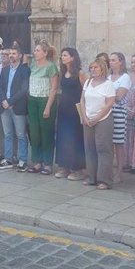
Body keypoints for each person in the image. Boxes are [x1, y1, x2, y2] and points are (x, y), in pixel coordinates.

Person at [80, 58, 116, 190]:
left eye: (96, 67)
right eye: (91, 68)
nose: (93, 70)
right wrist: (84, 116)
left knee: (103, 148)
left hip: (103, 119)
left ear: (102, 69)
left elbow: (109, 103)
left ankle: (104, 180)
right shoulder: (88, 82)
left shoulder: (108, 84)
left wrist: (97, 117)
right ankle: (91, 177)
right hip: (88, 118)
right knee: (89, 148)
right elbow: (82, 100)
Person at [54, 47, 87, 180]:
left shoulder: (80, 73)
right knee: (63, 137)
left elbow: (86, 91)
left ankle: (78, 168)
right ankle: (64, 166)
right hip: (64, 108)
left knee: (75, 137)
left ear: (73, 57)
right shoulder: (63, 72)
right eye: (62, 55)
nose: (63, 57)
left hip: (75, 109)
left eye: (66, 55)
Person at [26, 41, 59, 175]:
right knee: (34, 133)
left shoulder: (51, 67)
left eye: (38, 50)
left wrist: (48, 107)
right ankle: (36, 161)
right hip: (32, 100)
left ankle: (47, 163)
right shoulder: (32, 64)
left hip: (45, 100)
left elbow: (54, 87)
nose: (35, 52)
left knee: (46, 133)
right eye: (35, 50)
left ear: (45, 53)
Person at [0, 47, 30, 171]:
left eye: (14, 53)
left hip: (18, 106)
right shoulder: (4, 70)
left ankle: (23, 160)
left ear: (20, 56)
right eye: (10, 53)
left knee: (21, 134)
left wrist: (10, 102)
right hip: (4, 106)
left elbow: (23, 89)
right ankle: (8, 159)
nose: (11, 55)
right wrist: (4, 100)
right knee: (8, 134)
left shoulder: (24, 70)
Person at [109, 52, 131, 183]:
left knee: (118, 143)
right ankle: (109, 170)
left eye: (113, 60)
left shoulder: (125, 78)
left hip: (119, 111)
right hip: (107, 111)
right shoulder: (107, 77)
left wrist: (109, 95)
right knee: (108, 142)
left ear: (120, 62)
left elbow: (120, 96)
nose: (111, 62)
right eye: (110, 60)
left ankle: (119, 171)